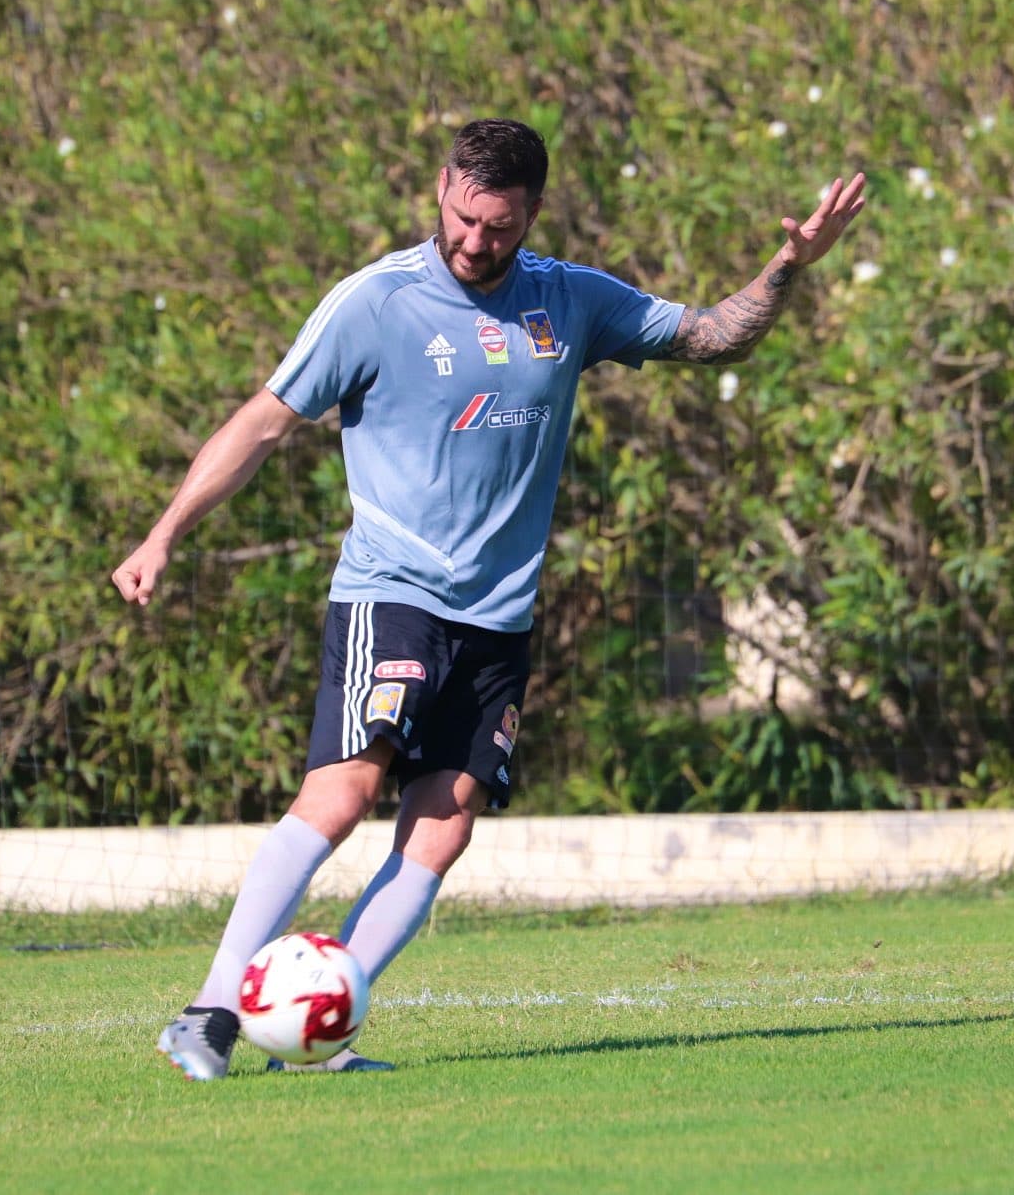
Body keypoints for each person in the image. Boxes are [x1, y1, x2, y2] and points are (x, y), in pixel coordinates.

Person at [112, 118, 866, 1079]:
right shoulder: (375, 303)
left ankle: (317, 1035)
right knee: (343, 793)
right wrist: (164, 532)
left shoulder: (570, 300)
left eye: (499, 228)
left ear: (532, 213)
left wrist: (789, 265)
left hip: (498, 617)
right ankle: (210, 1011)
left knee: (444, 824)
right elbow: (263, 422)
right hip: (393, 591)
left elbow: (712, 335)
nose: (476, 241)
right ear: (441, 189)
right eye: (463, 218)